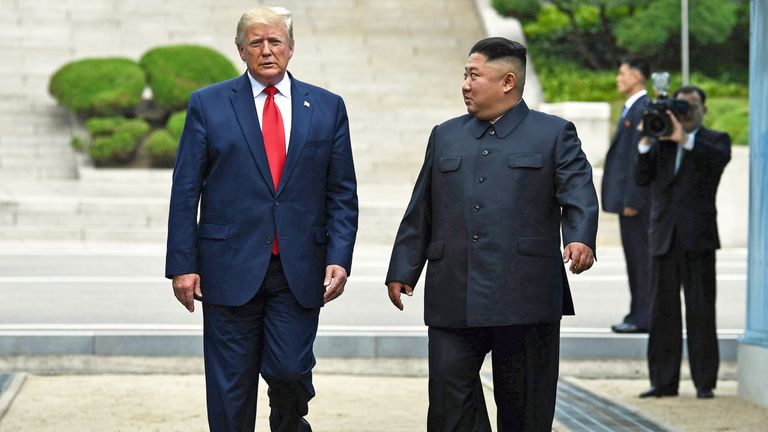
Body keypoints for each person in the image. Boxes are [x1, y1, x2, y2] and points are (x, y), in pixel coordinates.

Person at [385, 37, 598, 431]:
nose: (465, 84)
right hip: (455, 289)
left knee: (525, 408)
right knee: (449, 396)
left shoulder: (553, 134)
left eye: (474, 75)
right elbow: (422, 208)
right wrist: (403, 267)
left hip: (526, 292)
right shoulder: (445, 134)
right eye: (464, 75)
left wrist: (580, 236)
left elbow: (579, 191)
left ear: (507, 82)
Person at [165, 6, 358, 431]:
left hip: (299, 269)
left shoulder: (326, 106)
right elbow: (185, 191)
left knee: (290, 371)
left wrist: (340, 257)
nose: (266, 50)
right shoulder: (208, 104)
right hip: (227, 267)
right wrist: (183, 265)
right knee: (229, 387)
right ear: (240, 50)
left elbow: (342, 192)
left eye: (275, 41)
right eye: (256, 42)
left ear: (291, 48)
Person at [635, 86, 731, 399]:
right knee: (662, 312)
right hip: (663, 237)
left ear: (704, 108)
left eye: (692, 106)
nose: (687, 112)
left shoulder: (715, 140)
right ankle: (663, 382)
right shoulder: (660, 140)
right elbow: (640, 178)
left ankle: (705, 383)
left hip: (698, 238)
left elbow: (715, 161)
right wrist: (647, 138)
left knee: (701, 310)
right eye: (682, 106)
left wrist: (684, 138)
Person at [602, 56, 653, 334]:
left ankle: (642, 316)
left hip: (636, 204)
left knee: (641, 261)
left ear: (635, 77)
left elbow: (639, 158)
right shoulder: (631, 109)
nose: (618, 78)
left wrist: (633, 199)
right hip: (628, 202)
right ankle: (638, 312)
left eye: (622, 74)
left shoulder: (643, 109)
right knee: (635, 260)